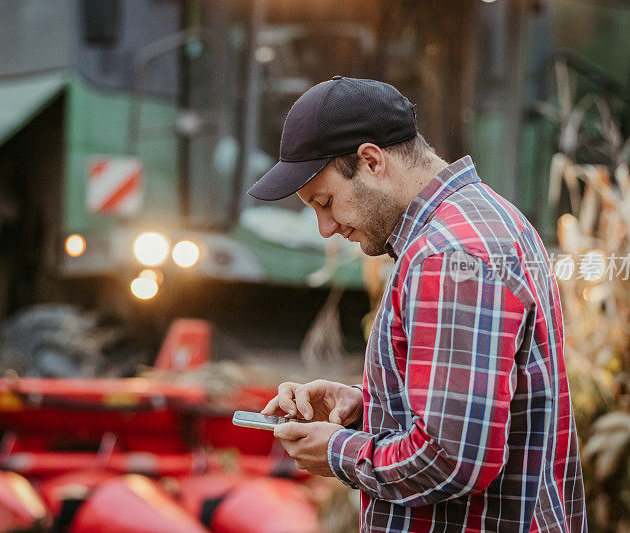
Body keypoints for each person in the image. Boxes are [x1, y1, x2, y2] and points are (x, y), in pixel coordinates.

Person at [247, 77, 587, 532]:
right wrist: (366, 410)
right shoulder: (484, 217)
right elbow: (482, 410)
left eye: (325, 202)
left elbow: (453, 458)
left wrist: (336, 452)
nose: (325, 228)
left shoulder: (448, 255)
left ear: (370, 161)